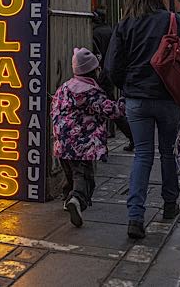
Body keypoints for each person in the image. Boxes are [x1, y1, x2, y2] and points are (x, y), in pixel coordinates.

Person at [104, 0, 180, 241]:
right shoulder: (174, 21)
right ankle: (170, 204)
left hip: (137, 99)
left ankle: (135, 217)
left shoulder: (124, 25)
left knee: (142, 155)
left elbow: (111, 66)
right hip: (168, 97)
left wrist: (126, 85)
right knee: (167, 153)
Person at [51, 48, 125, 228]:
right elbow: (112, 111)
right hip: (83, 144)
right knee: (84, 176)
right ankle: (76, 200)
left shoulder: (65, 87)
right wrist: (123, 101)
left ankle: (67, 198)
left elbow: (54, 108)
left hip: (62, 142)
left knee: (70, 173)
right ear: (93, 71)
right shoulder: (91, 91)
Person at [92, 9, 134, 151]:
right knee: (110, 107)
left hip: (100, 74)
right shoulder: (110, 30)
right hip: (109, 71)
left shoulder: (95, 33)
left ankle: (130, 136)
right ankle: (126, 135)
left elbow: (96, 54)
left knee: (106, 108)